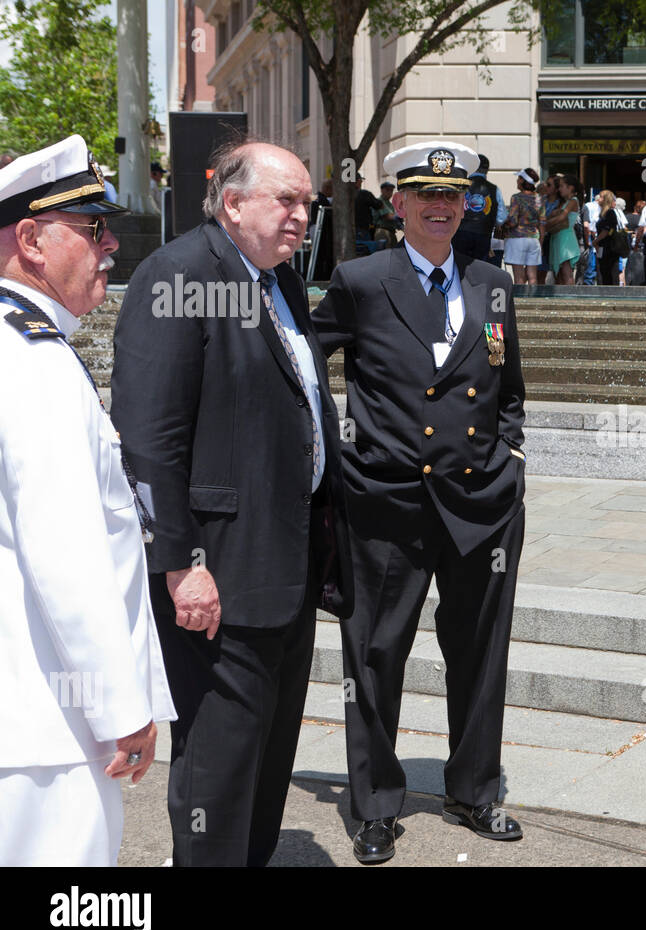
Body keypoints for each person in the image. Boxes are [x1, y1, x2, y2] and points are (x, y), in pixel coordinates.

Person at [111, 139, 353, 866]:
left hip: (286, 565)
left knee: (268, 753)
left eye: (308, 204)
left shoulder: (277, 282)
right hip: (219, 572)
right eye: (289, 200)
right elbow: (149, 439)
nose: (302, 217)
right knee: (218, 762)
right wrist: (182, 561)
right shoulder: (179, 274)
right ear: (234, 201)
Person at [312, 141, 528, 863]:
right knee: (375, 652)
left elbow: (510, 389)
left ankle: (475, 789)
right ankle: (374, 804)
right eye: (425, 195)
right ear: (397, 203)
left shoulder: (492, 282)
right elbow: (302, 359)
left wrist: (512, 452)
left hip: (480, 503)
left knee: (480, 653)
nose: (441, 207)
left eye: (454, 195)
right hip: (387, 502)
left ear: (467, 204)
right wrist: (333, 450)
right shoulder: (360, 280)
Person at [0, 135, 175, 866]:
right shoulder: (33, 361)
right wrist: (119, 706)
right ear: (33, 240)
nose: (110, 245)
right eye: (92, 228)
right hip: (50, 728)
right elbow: (64, 552)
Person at [454, 153, 505, 263]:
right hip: (483, 235)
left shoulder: (460, 186)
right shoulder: (494, 189)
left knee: (459, 266)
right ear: (487, 170)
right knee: (480, 268)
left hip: (460, 234)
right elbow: (501, 218)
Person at [504, 168, 544, 284]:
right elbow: (542, 223)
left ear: (523, 181)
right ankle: (533, 301)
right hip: (534, 239)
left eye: (518, 179)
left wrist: (504, 224)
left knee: (519, 277)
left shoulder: (516, 198)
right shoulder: (539, 198)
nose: (517, 181)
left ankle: (519, 302)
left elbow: (513, 221)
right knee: (533, 277)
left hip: (517, 239)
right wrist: (540, 242)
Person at [546, 173, 581, 285]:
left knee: (567, 273)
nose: (559, 189)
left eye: (561, 186)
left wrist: (544, 224)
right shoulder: (565, 202)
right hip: (559, 237)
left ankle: (570, 300)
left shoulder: (573, 201)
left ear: (570, 188)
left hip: (565, 239)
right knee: (560, 275)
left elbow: (562, 217)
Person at [593, 189, 623, 286]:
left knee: (609, 271)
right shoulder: (603, 213)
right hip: (603, 246)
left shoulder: (610, 213)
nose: (599, 199)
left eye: (601, 197)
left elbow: (607, 230)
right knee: (603, 271)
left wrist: (596, 241)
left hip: (609, 247)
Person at [310, 178, 335, 280]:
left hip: (315, 228)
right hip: (319, 230)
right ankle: (319, 276)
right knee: (320, 255)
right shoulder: (321, 200)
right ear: (328, 189)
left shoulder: (316, 197)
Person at [373, 180, 401, 248]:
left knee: (394, 254)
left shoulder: (390, 204)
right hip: (382, 231)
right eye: (387, 190)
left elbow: (394, 218)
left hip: (391, 232)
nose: (390, 192)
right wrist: (399, 215)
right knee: (384, 254)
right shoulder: (379, 201)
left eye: (391, 190)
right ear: (382, 190)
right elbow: (387, 216)